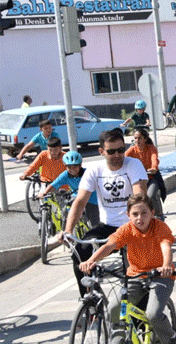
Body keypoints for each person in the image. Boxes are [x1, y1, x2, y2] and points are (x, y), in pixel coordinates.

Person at [80, 194, 176, 344]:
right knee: (114, 309)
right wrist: (91, 261)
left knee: (153, 315)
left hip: (160, 276)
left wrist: (166, 265)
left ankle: (171, 337)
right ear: (128, 215)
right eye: (135, 214)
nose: (139, 218)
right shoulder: (126, 229)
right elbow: (110, 245)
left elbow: (165, 246)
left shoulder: (160, 227)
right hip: (135, 276)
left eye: (144, 213)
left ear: (152, 213)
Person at [64, 128, 148, 297]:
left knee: (135, 279)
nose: (117, 155)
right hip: (107, 226)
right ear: (101, 151)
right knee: (80, 251)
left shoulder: (133, 165)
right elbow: (80, 201)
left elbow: (139, 196)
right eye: (111, 151)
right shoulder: (95, 170)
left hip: (132, 227)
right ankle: (90, 298)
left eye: (120, 150)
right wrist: (67, 231)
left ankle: (139, 313)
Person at [39, 151, 100, 228]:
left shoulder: (88, 173)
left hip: (91, 198)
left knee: (95, 223)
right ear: (65, 166)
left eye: (75, 166)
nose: (72, 169)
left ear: (80, 165)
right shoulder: (65, 175)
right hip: (76, 196)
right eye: (69, 167)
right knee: (66, 211)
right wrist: (44, 193)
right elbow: (53, 185)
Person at [125, 127, 166, 219]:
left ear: (145, 139)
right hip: (138, 180)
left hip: (151, 178)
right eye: (135, 138)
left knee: (150, 196)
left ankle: (159, 214)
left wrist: (154, 168)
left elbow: (154, 158)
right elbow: (123, 159)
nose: (137, 140)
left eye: (139, 138)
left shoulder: (151, 148)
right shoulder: (132, 150)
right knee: (136, 199)